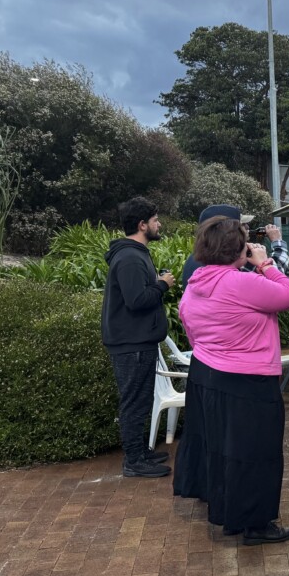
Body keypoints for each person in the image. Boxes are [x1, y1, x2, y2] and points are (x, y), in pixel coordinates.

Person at [174, 216, 289, 544]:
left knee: (219, 448)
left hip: (206, 374)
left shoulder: (196, 282)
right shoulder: (241, 282)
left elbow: (190, 328)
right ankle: (255, 524)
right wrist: (265, 263)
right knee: (256, 452)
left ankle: (225, 507)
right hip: (248, 380)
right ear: (239, 249)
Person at [101, 196, 175, 479]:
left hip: (139, 340)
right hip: (130, 343)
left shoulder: (135, 254)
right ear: (142, 225)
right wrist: (162, 285)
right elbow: (136, 300)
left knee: (142, 400)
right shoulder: (130, 257)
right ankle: (133, 461)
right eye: (155, 220)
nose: (159, 225)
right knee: (133, 401)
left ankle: (140, 453)